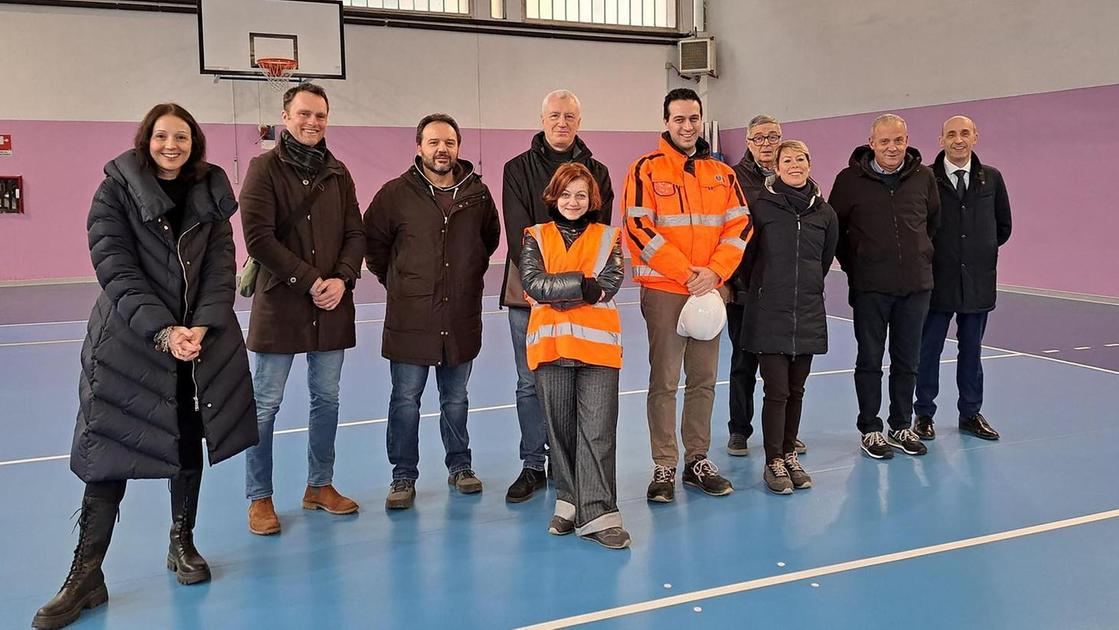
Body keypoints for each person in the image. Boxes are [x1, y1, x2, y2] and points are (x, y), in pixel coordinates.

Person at [33, 103, 258, 629]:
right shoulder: (115, 190)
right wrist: (162, 330)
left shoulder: (210, 190)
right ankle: (85, 575)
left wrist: (200, 327)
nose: (171, 145)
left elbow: (222, 267)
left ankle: (182, 542)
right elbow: (114, 265)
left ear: (195, 142)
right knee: (108, 456)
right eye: (162, 136)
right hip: (130, 345)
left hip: (196, 348)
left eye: (181, 136)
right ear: (146, 139)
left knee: (186, 441)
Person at [240, 83, 366, 534]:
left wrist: (342, 278)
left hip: (332, 305)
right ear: (286, 115)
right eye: (304, 114)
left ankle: (319, 486)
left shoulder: (339, 172)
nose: (313, 122)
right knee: (264, 405)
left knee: (326, 398)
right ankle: (260, 497)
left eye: (320, 115)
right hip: (281, 304)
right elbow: (258, 238)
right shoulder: (263, 168)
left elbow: (356, 232)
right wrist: (311, 280)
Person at [364, 113, 501, 510]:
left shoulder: (477, 194)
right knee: (405, 400)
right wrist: (399, 281)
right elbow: (374, 244)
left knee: (455, 399)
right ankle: (403, 476)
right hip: (410, 319)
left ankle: (461, 467)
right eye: (434, 142)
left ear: (458, 147)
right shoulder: (395, 194)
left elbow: (488, 241)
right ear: (419, 148)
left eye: (449, 143)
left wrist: (463, 277)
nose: (442, 150)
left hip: (459, 317)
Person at [623, 88, 752, 502]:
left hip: (708, 291)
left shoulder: (723, 173)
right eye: (678, 118)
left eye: (693, 118)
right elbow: (638, 228)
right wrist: (687, 274)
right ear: (665, 122)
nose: (686, 126)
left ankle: (698, 459)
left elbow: (741, 226)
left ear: (701, 120)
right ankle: (664, 463)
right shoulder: (645, 169)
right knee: (664, 381)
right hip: (665, 291)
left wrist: (714, 273)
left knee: (703, 380)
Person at [501, 90, 614, 503]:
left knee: (574, 383)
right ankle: (533, 464)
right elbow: (517, 232)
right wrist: (537, 288)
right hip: (527, 296)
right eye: (554, 115)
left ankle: (568, 467)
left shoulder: (598, 171)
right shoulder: (516, 169)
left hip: (584, 298)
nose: (562, 122)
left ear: (579, 122)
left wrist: (572, 290)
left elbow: (600, 237)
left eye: (569, 116)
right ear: (542, 118)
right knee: (529, 383)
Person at [520, 163, 629, 548]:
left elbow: (607, 285)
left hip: (597, 351)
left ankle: (599, 514)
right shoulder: (535, 236)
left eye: (581, 194)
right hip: (550, 349)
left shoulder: (608, 237)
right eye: (566, 194)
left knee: (597, 431)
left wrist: (560, 288)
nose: (572, 201)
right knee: (560, 432)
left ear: (592, 200)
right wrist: (579, 285)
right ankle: (569, 503)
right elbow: (531, 282)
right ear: (554, 196)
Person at [829, 113, 940, 459]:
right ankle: (871, 428)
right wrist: (857, 266)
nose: (892, 148)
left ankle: (901, 424)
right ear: (872, 142)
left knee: (908, 359)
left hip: (916, 287)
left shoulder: (924, 177)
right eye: (885, 141)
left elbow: (932, 223)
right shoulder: (848, 180)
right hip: (870, 288)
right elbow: (836, 231)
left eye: (899, 140)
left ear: (906, 140)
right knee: (870, 359)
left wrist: (917, 256)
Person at [739, 141, 837, 494]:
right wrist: (766, 290)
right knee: (776, 391)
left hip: (807, 312)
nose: (794, 165)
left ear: (809, 164)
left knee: (797, 389)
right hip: (770, 313)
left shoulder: (824, 213)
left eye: (800, 159)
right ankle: (773, 461)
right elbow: (747, 259)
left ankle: (789, 451)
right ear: (776, 167)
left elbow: (823, 262)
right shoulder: (762, 207)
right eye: (787, 160)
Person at [914, 115, 1012, 441]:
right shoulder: (925, 178)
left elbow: (1002, 227)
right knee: (928, 350)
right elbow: (920, 226)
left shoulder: (992, 179)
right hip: (936, 281)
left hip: (978, 283)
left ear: (975, 137)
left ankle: (970, 413)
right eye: (952, 134)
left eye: (965, 133)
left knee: (972, 350)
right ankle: (923, 414)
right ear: (940, 140)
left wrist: (975, 254)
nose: (959, 139)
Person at [726, 114, 805, 457]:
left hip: (783, 294)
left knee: (784, 372)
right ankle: (739, 430)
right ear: (748, 142)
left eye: (773, 137)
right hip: (744, 289)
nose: (767, 144)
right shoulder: (733, 179)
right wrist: (730, 281)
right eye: (759, 138)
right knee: (743, 363)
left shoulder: (794, 179)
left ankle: (786, 433)